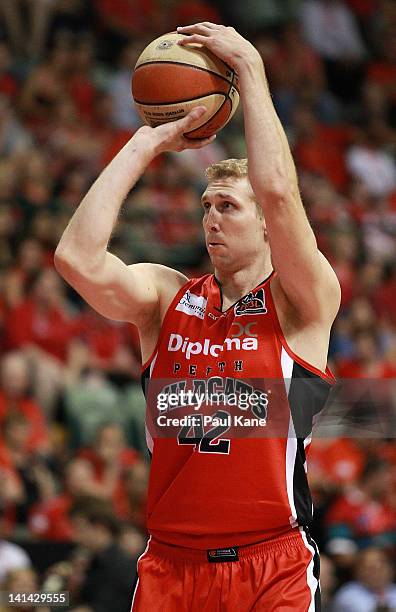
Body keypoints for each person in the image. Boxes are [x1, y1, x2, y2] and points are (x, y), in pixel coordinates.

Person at [55, 22, 340, 612]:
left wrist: (253, 74)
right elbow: (76, 258)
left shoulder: (302, 301)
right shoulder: (167, 297)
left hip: (272, 563)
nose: (211, 218)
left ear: (264, 223)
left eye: (229, 206)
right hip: (170, 565)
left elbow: (281, 194)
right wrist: (149, 141)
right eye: (206, 205)